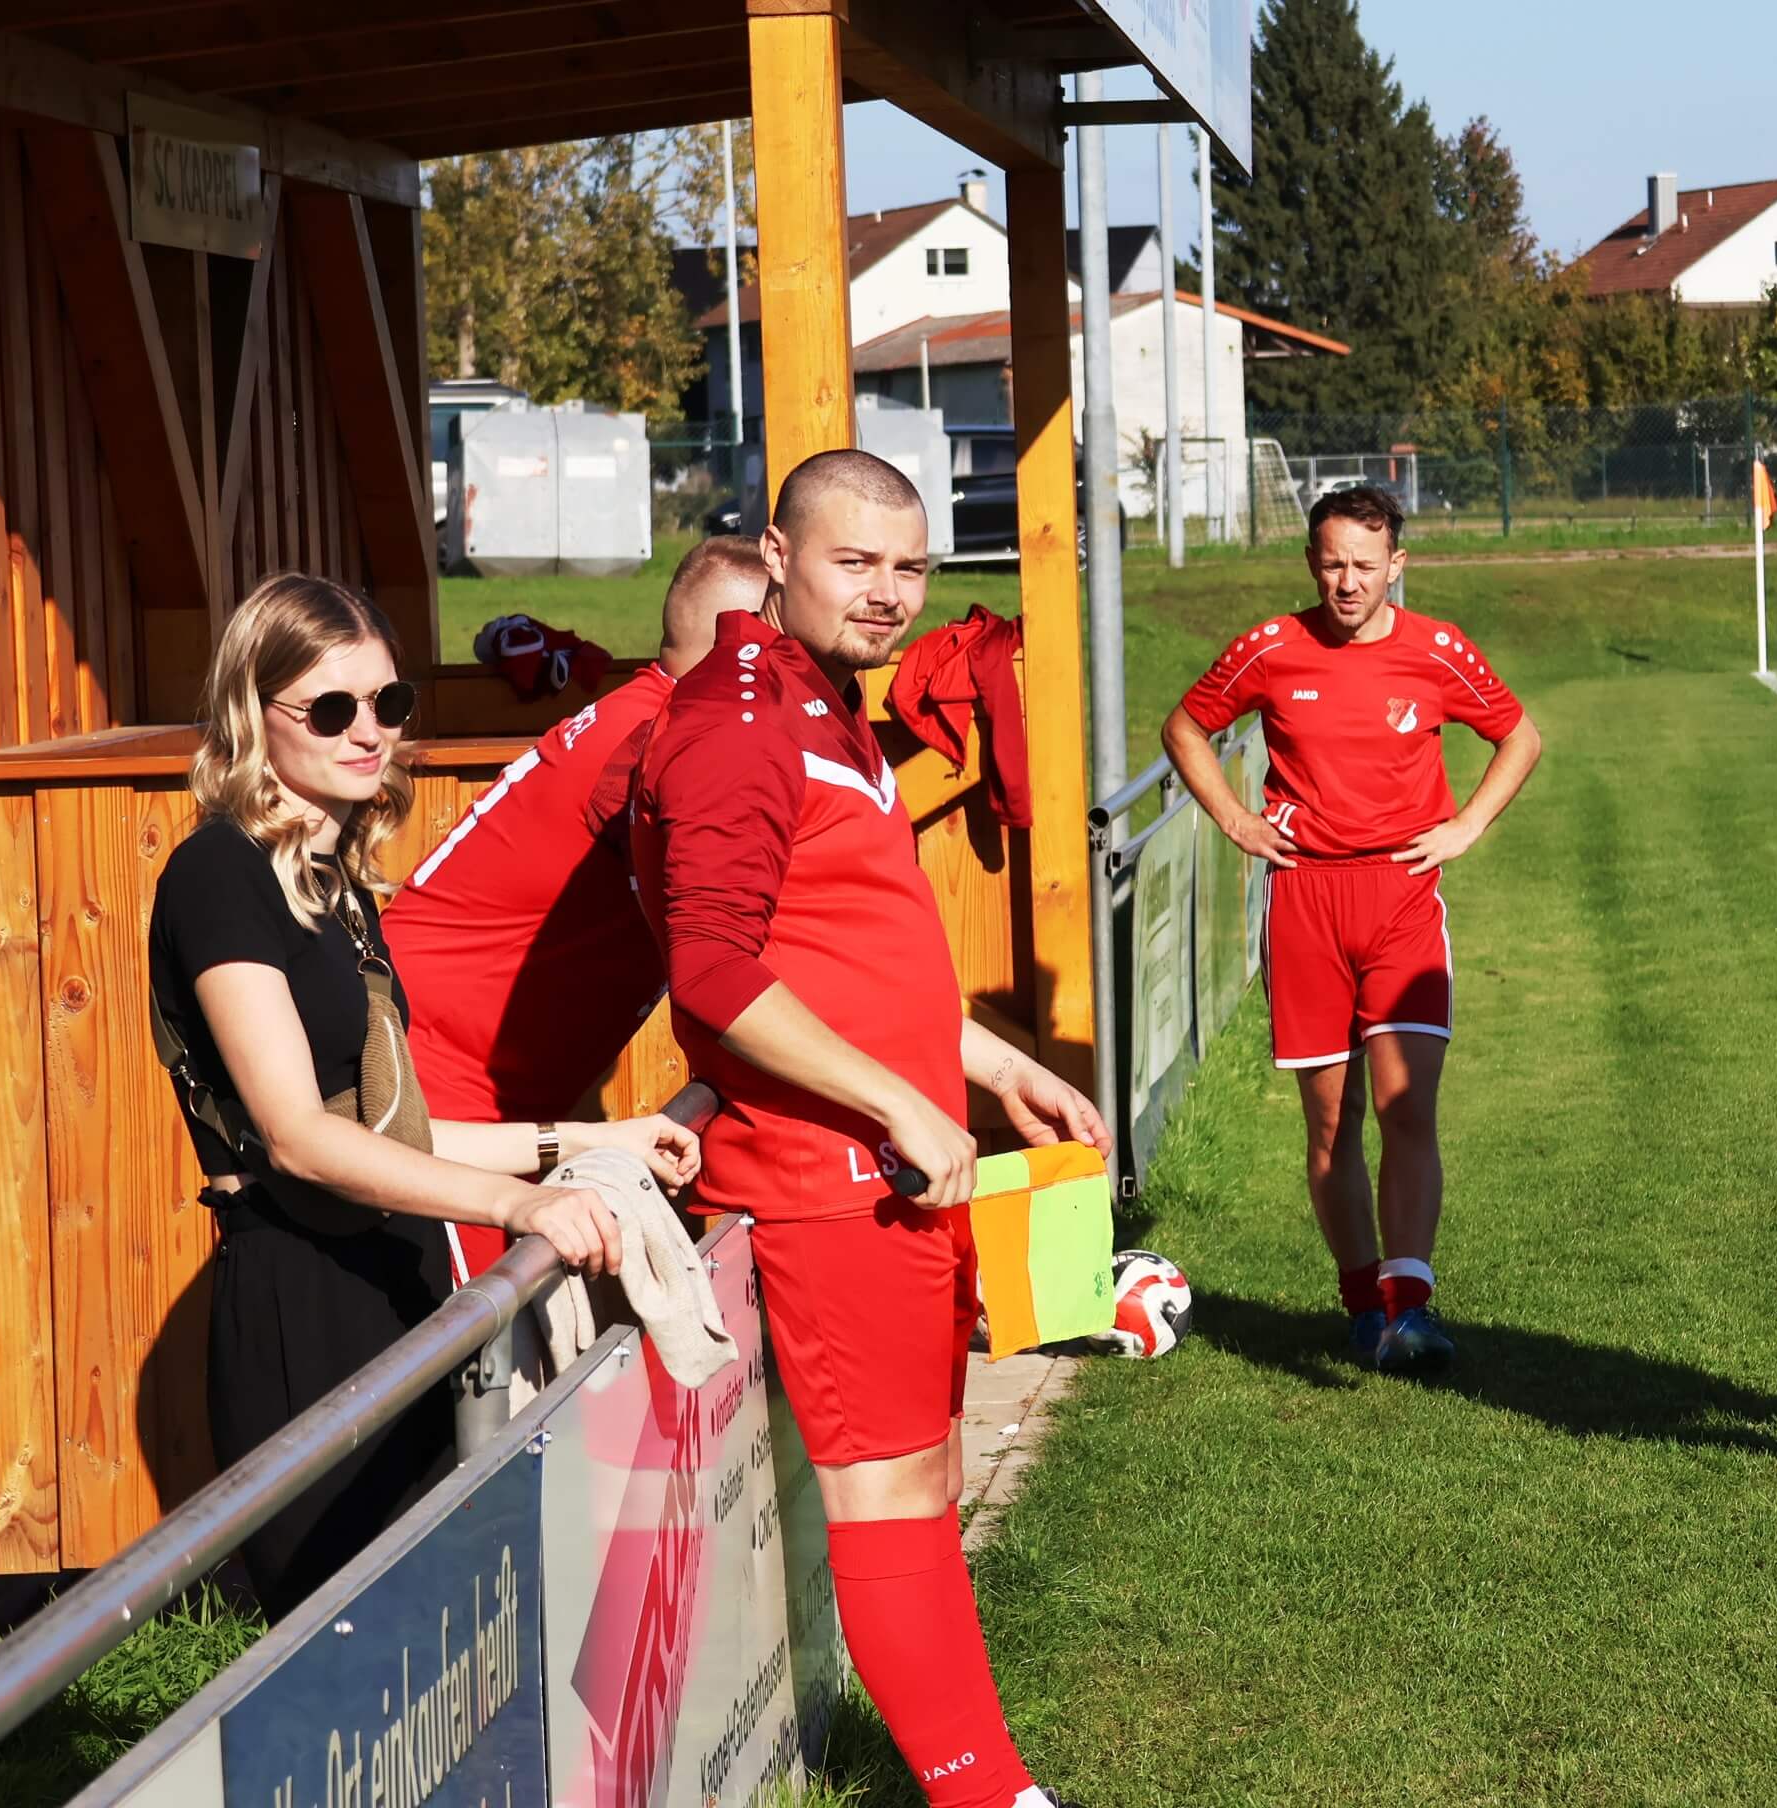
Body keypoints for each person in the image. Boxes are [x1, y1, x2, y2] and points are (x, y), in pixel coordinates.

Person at [624, 449, 1109, 1808]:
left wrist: (987, 1064)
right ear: (776, 557)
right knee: (887, 1495)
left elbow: (846, 949)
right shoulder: (741, 723)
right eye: (855, 562)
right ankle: (986, 1794)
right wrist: (897, 1101)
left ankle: (988, 1784)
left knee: (925, 1474)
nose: (889, 592)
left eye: (910, 566)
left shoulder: (823, 699)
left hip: (894, 1162)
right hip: (828, 1179)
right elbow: (712, 972)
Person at [147, 574, 701, 1617]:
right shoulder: (219, 874)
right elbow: (299, 1138)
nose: (369, 733)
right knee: (355, 1653)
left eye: (388, 703)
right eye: (331, 709)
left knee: (453, 1641)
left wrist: (590, 1140)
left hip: (396, 1283)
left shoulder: (333, 883)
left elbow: (395, 1132)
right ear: (252, 714)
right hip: (303, 1301)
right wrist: (514, 1204)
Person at [1162, 485, 1541, 1377]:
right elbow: (1185, 727)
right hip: (1305, 903)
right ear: (1310, 561)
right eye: (1332, 563)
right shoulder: (1270, 647)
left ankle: (1412, 1310)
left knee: (1408, 1107)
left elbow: (1519, 735)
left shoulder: (1437, 650)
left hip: (1401, 897)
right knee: (1334, 1122)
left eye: (1365, 566)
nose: (1347, 582)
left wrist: (1467, 825)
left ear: (1396, 566)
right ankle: (1364, 1305)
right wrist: (1235, 820)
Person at [386, 535, 773, 1283]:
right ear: (740, 647)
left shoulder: (650, 714)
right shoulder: (663, 745)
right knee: (471, 1341)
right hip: (434, 1083)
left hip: (473, 1080)